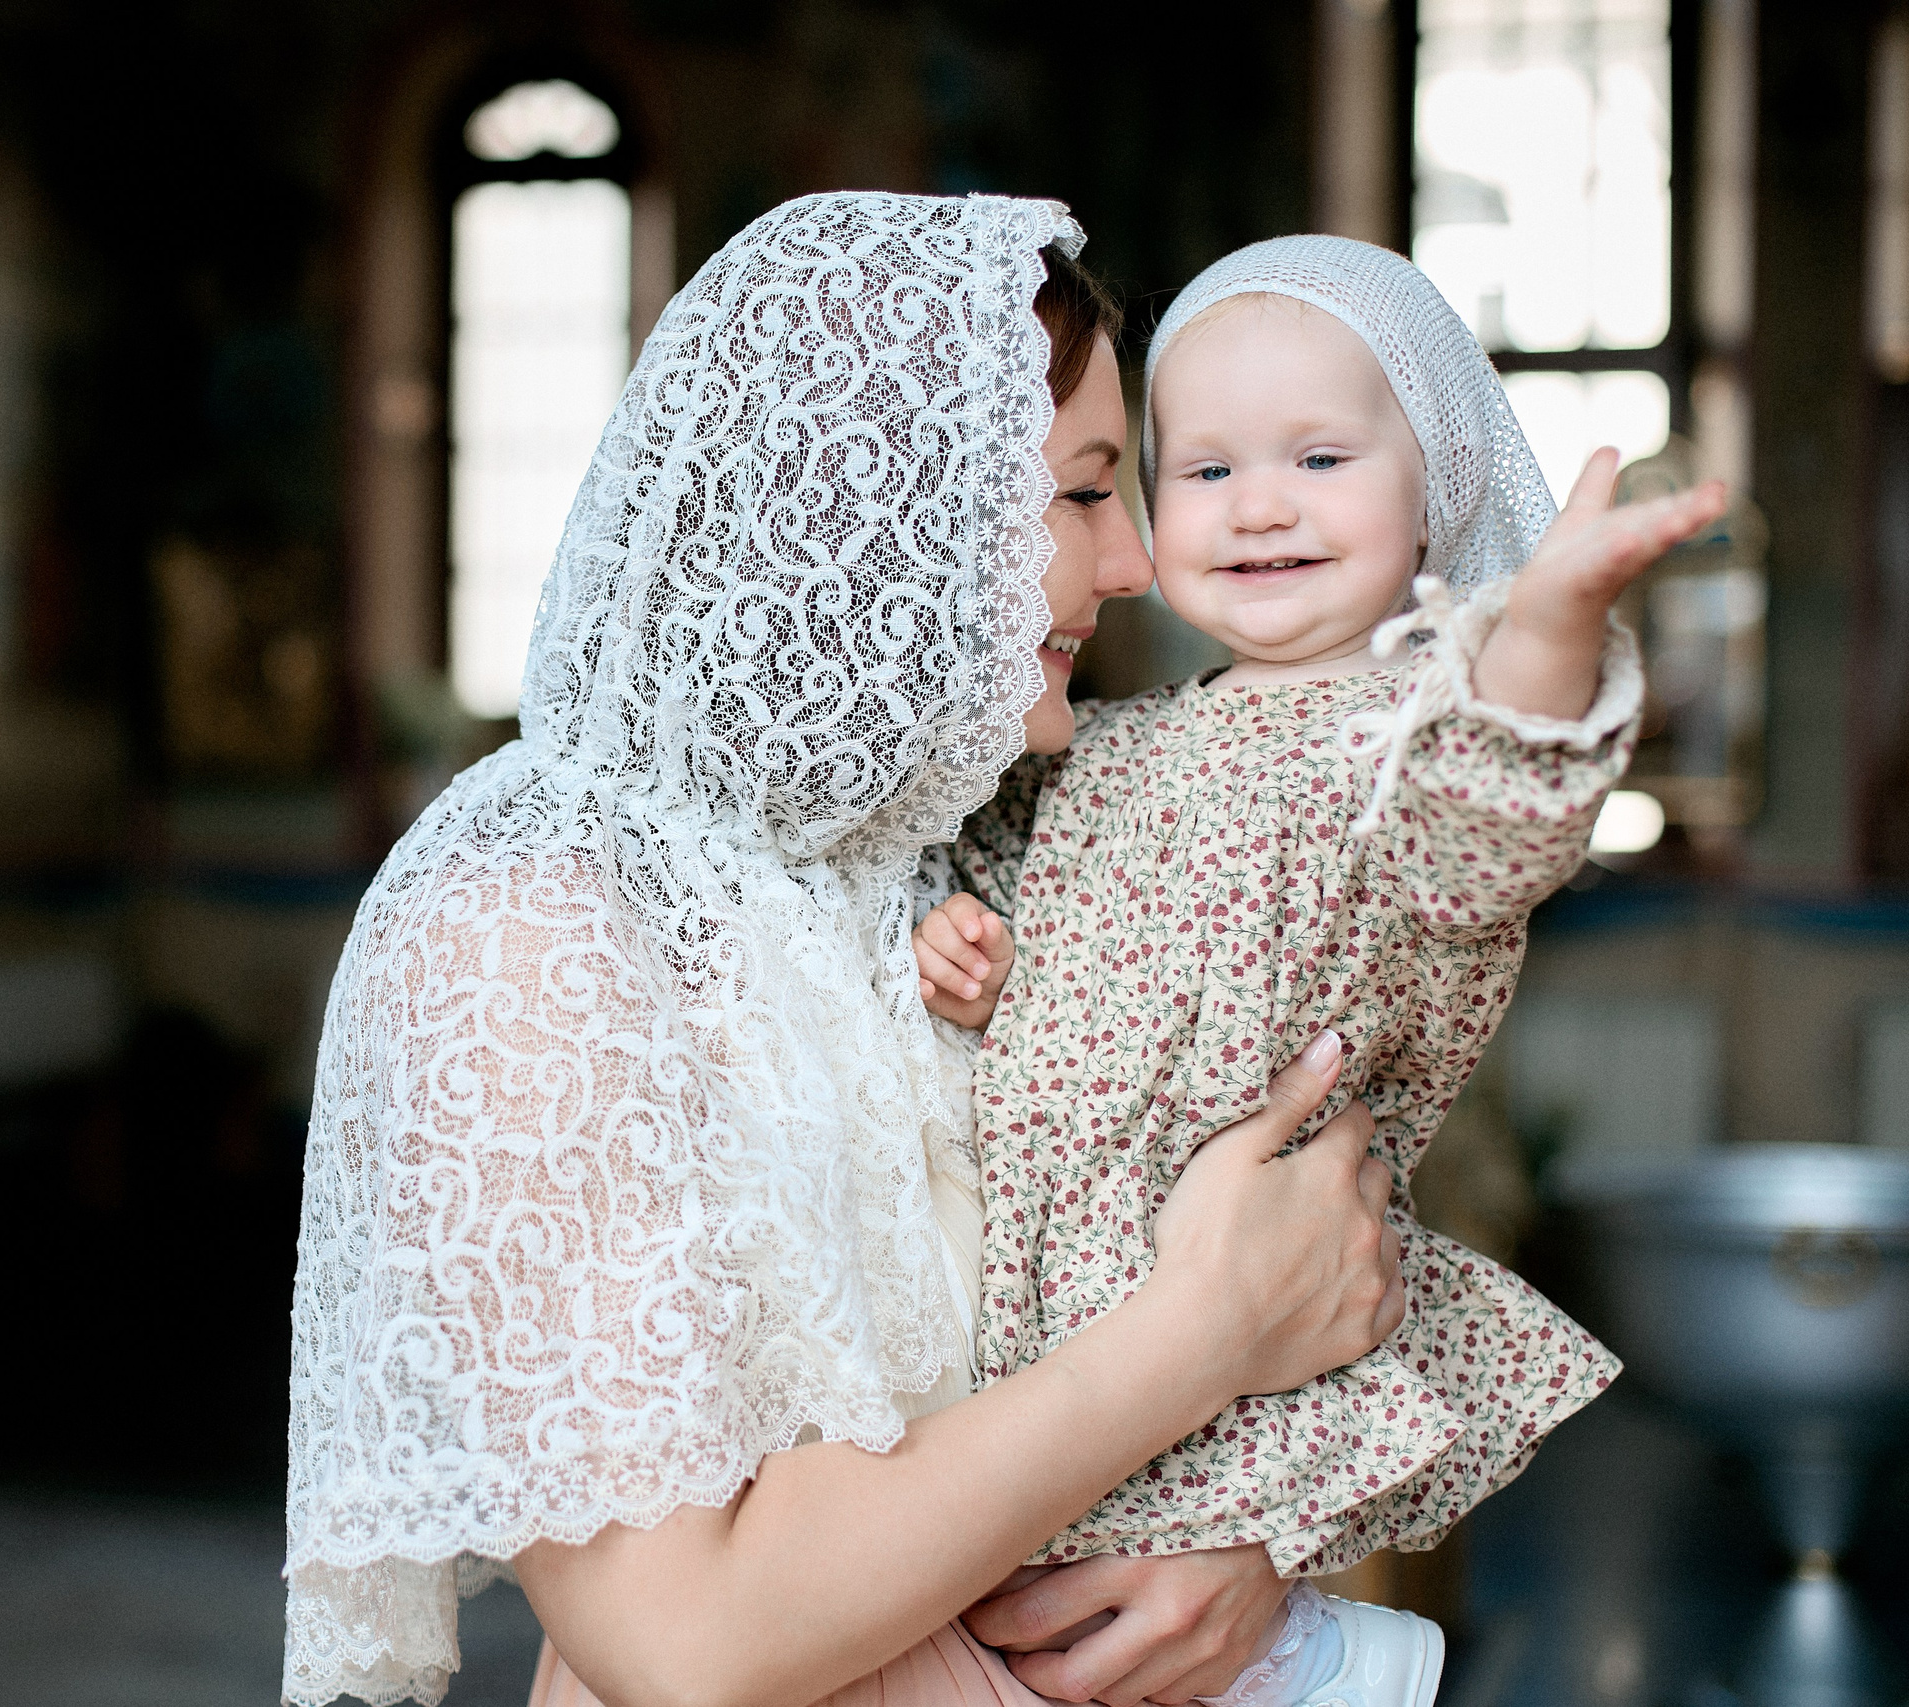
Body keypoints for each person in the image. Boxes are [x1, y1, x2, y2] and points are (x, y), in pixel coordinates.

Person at [286, 193, 1407, 1707]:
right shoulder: (524, 917)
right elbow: (682, 1638)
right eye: (1083, 495)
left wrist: (1225, 1540)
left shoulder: (928, 857)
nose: (1138, 562)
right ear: (881, 511)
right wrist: (1204, 1334)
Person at [911, 236, 1728, 1706]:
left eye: (1321, 457)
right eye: (1205, 470)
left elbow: (1495, 829)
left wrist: (1543, 631)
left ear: (1437, 487)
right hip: (1054, 1316)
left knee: (1118, 1640)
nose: (1261, 505)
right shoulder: (1109, 741)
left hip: (1217, 1326)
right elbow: (990, 889)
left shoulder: (1411, 744)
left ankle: (1314, 1668)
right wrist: (962, 948)